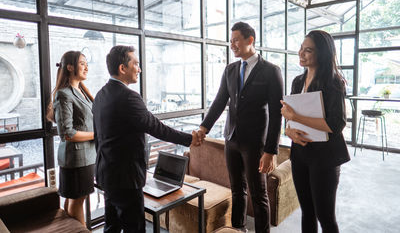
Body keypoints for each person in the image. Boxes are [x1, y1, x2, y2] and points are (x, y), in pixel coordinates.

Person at [92, 45, 200, 233]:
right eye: (136, 64)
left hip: (106, 173)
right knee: (135, 228)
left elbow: (99, 136)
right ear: (122, 68)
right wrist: (189, 139)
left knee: (112, 226)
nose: (140, 69)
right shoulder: (129, 97)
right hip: (126, 178)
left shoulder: (100, 95)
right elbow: (156, 128)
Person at [197, 22, 283, 233]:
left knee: (258, 194)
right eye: (231, 40)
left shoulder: (271, 71)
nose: (232, 44)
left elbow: (276, 114)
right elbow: (219, 102)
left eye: (236, 39)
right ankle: (238, 229)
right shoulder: (230, 69)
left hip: (255, 144)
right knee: (237, 190)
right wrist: (203, 128)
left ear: (250, 40)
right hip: (231, 139)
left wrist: (270, 151)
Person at [281, 30, 350, 233]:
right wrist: (289, 131)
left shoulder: (334, 82)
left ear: (323, 53)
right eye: (301, 48)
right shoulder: (297, 81)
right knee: (307, 212)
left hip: (325, 158)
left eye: (308, 50)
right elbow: (290, 117)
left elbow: (336, 124)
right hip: (301, 154)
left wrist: (295, 118)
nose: (301, 53)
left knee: (326, 217)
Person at [47, 51, 96, 226]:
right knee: (77, 202)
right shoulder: (64, 94)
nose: (86, 67)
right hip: (76, 159)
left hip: (86, 156)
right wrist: (96, 135)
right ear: (70, 67)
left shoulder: (81, 91)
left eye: (86, 63)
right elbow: (67, 133)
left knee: (72, 201)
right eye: (82, 63)